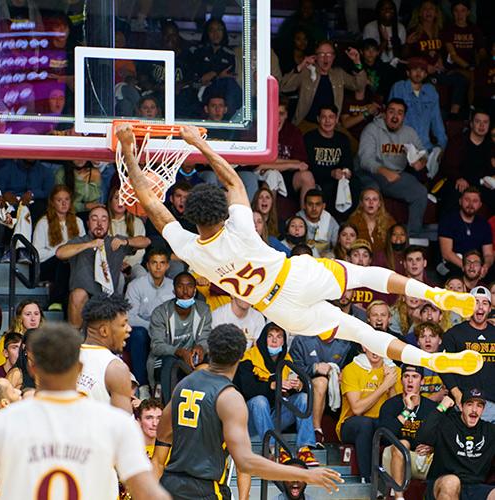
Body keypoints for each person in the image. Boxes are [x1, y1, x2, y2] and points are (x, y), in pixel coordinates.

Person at [115, 123, 483, 377]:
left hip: (278, 310)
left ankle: (430, 361)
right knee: (368, 274)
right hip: (293, 278)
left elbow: (151, 203)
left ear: (192, 218)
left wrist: (130, 152)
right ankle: (436, 293)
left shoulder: (189, 249)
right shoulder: (240, 227)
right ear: (222, 212)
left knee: (363, 334)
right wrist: (199, 143)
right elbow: (230, 177)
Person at [153, 323, 344, 498]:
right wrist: (306, 475)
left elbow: (159, 450)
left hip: (170, 487)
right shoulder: (229, 397)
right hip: (206, 490)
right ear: (240, 356)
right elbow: (246, 462)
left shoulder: (183, 385)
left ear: (210, 350)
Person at [0, 323, 170, 500]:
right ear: (79, 368)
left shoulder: (2, 423)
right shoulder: (116, 424)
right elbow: (149, 493)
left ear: (32, 367)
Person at [234, 323, 319, 466]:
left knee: (303, 398)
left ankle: (304, 448)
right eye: (270, 336)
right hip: (250, 420)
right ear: (262, 338)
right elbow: (247, 389)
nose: (274, 341)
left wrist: (299, 386)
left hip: (274, 417)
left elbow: (295, 386)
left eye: (279, 337)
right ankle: (273, 449)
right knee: (260, 401)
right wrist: (273, 385)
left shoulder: (287, 360)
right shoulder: (248, 357)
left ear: (284, 341)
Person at [56, 205, 150, 327]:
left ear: (108, 224)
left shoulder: (115, 241)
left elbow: (146, 241)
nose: (99, 223)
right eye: (94, 219)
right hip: (84, 299)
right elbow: (60, 253)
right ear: (88, 223)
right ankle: (75, 342)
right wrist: (89, 244)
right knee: (78, 294)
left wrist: (126, 242)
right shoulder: (80, 241)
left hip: (108, 297)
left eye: (104, 219)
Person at [358, 98, 429, 237]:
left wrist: (421, 161)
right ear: (385, 114)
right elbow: (365, 160)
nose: (395, 116)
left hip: (395, 175)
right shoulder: (372, 129)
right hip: (370, 173)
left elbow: (423, 151)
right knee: (372, 192)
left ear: (404, 117)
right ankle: (367, 235)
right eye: (391, 112)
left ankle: (412, 238)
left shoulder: (409, 132)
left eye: (400, 113)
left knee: (420, 192)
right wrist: (384, 171)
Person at [336, 346, 402, 481]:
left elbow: (397, 409)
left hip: (381, 423)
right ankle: (367, 478)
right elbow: (357, 409)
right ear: (363, 347)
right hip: (352, 424)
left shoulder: (395, 371)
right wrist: (384, 386)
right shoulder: (352, 369)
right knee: (366, 423)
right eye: (370, 345)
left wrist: (391, 387)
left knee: (395, 426)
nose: (375, 349)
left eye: (377, 345)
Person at [416, 390, 495, 500]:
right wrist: (442, 407)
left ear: (483, 410)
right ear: (461, 407)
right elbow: (422, 437)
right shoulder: (448, 423)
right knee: (452, 482)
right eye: (469, 404)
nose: (474, 410)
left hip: (475, 487)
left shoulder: (489, 430)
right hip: (443, 483)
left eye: (479, 405)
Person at [147, 272, 211, 402]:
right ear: (174, 289)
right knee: (170, 362)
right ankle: (168, 407)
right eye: (180, 287)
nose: (185, 291)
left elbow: (206, 339)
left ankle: (207, 406)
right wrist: (179, 352)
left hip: (192, 359)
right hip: (164, 359)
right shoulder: (161, 312)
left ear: (195, 289)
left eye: (189, 286)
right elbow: (156, 346)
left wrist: (201, 347)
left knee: (212, 358)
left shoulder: (203, 309)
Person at [280, 41, 367, 131]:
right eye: (321, 54)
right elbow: (284, 87)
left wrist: (357, 62)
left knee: (350, 144)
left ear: (334, 57)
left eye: (329, 54)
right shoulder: (307, 72)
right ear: (315, 57)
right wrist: (301, 66)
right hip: (307, 124)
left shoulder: (338, 73)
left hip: (332, 125)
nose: (326, 58)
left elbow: (359, 85)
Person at [290, 329, 355, 448]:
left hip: (336, 387)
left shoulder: (345, 343)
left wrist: (343, 373)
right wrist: (314, 368)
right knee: (321, 381)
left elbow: (350, 366)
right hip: (304, 385)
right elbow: (293, 369)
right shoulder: (301, 340)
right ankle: (316, 430)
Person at [379, 365, 436, 499]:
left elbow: (442, 435)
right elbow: (385, 436)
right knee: (403, 443)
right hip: (394, 455)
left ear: (422, 381)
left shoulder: (431, 407)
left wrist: (432, 446)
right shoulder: (390, 405)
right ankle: (399, 497)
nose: (410, 381)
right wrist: (407, 410)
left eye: (414, 377)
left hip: (424, 456)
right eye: (406, 376)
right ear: (401, 380)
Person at [440, 286, 495, 422]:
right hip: (464, 403)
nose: (480, 307)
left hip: (492, 404)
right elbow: (442, 365)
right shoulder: (454, 334)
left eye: (484, 303)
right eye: (475, 302)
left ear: (490, 308)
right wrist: (457, 394)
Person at [125, 248, 174, 398]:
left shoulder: (174, 286)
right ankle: (144, 386)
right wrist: (154, 327)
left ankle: (165, 389)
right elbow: (129, 317)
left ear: (167, 266)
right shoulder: (135, 285)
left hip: (165, 331)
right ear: (147, 265)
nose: (158, 267)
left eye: (162, 263)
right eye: (154, 263)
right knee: (138, 334)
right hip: (143, 330)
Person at [77, 294, 133, 414]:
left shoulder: (65, 357)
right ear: (104, 331)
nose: (129, 329)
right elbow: (123, 427)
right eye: (123, 324)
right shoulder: (115, 368)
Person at [33, 184, 85, 310]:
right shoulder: (43, 223)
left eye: (66, 199)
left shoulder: (78, 222)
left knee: (68, 264)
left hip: (72, 266)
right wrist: (60, 252)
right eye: (59, 200)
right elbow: (37, 254)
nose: (63, 203)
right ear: (52, 202)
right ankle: (55, 301)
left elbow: (83, 247)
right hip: (47, 267)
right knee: (63, 262)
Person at [303, 105, 359, 216]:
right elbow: (308, 166)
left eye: (331, 117)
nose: (327, 121)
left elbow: (348, 163)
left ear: (336, 119)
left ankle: (346, 221)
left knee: (355, 184)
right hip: (319, 179)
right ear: (318, 119)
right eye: (324, 117)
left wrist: (346, 171)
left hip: (339, 179)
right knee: (329, 188)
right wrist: (330, 173)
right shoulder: (309, 138)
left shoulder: (342, 139)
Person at [389, 56, 447, 154]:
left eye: (422, 70)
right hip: (402, 146)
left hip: (425, 146)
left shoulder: (430, 91)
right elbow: (391, 119)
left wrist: (441, 145)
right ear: (408, 73)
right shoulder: (399, 87)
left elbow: (437, 121)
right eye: (415, 69)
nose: (418, 73)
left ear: (425, 75)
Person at [438, 187, 494, 275]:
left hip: (475, 264)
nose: (471, 204)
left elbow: (488, 254)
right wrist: (467, 268)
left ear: (480, 205)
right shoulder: (448, 220)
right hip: (452, 263)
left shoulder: (484, 224)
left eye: (475, 201)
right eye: (467, 200)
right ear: (460, 201)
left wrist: (485, 266)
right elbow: (447, 253)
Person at [347, 187, 395, 253]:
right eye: (367, 199)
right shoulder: (353, 221)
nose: (371, 202)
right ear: (361, 203)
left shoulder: (389, 222)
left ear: (379, 204)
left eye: (374, 199)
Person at [297, 189, 339, 257]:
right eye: (310, 204)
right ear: (304, 205)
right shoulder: (296, 220)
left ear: (324, 206)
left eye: (318, 204)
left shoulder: (330, 221)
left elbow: (338, 247)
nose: (314, 208)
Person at [362, 0, 405, 64]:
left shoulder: (400, 27)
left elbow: (402, 54)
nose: (387, 11)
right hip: (376, 64)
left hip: (395, 64)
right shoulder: (370, 27)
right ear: (378, 11)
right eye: (383, 9)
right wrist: (384, 41)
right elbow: (369, 55)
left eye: (390, 8)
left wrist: (408, 44)